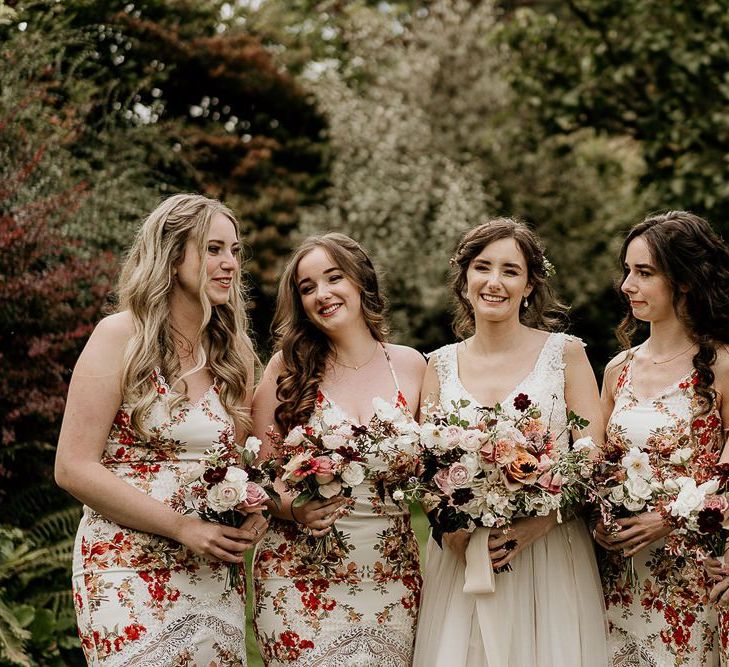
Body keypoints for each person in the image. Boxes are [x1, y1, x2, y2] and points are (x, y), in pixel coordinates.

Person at [55, 194, 267, 666]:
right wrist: (180, 526)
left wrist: (254, 507)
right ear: (172, 258)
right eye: (213, 249)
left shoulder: (234, 355)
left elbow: (240, 465)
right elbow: (72, 467)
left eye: (234, 250)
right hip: (125, 567)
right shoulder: (119, 337)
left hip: (210, 572)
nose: (230, 263)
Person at [413, 218, 609, 666]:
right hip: (464, 557)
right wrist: (454, 535)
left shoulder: (566, 354)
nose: (494, 282)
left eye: (511, 270)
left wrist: (539, 524)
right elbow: (425, 470)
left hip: (550, 552)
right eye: (483, 267)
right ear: (464, 281)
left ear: (529, 285)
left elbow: (592, 456)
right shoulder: (439, 365)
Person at [251, 232, 426, 666]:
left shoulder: (412, 365)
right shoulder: (286, 368)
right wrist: (293, 508)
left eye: (333, 278)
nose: (322, 295)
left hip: (391, 575)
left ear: (361, 282)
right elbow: (257, 476)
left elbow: (439, 470)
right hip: (297, 577)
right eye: (307, 288)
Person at [595, 211, 729, 666]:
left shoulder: (723, 366)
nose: (627, 285)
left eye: (644, 273)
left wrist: (669, 517)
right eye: (627, 271)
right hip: (619, 575)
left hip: (694, 577)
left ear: (686, 281)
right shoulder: (619, 369)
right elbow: (596, 464)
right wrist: (597, 519)